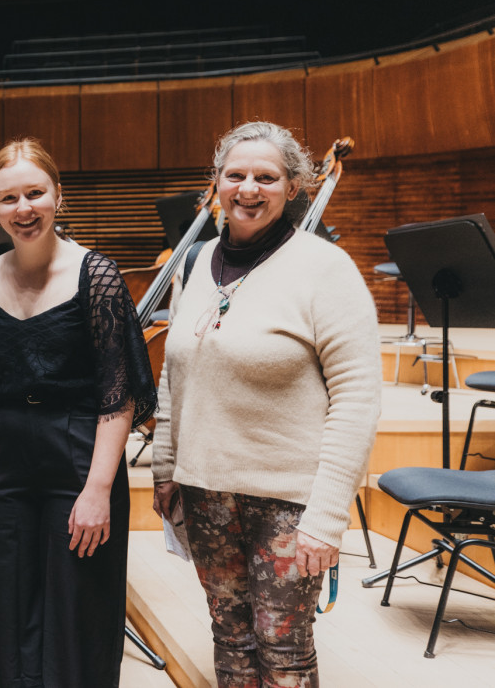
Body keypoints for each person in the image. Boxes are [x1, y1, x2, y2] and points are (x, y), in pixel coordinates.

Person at [151, 121, 381, 688]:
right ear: (216, 182)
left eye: (266, 177)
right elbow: (174, 374)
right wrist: (165, 467)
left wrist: (327, 517)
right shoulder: (195, 261)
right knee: (230, 637)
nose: (248, 189)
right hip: (205, 490)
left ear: (293, 186)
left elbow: (356, 398)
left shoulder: (325, 268)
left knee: (283, 647)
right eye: (235, 175)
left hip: (289, 500)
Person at [0, 138, 157, 687]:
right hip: (3, 459)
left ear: (58, 195)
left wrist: (98, 490)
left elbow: (118, 394)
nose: (24, 208)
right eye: (9, 198)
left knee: (76, 612)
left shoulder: (97, 276)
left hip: (80, 456)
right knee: (9, 610)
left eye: (35, 193)